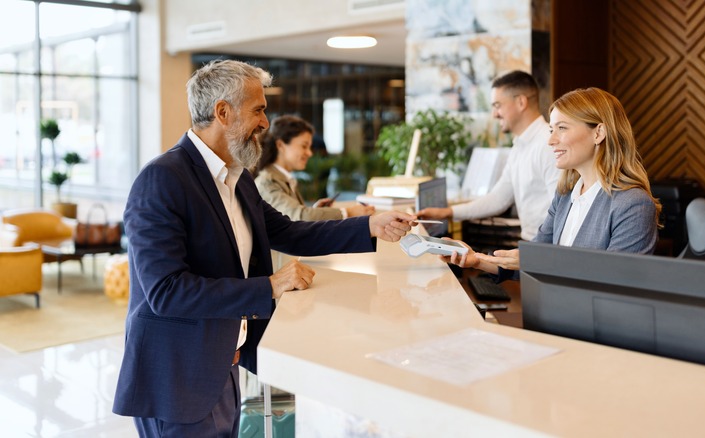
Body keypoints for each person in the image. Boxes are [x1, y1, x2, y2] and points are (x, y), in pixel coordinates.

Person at [112, 59, 414, 437]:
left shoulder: (236, 177)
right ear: (223, 112)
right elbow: (166, 291)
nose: (266, 123)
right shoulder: (162, 179)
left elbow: (291, 232)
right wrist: (270, 285)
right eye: (258, 109)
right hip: (178, 376)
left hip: (223, 362)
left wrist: (371, 225)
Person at [445, 87, 661, 280]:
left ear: (598, 133)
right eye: (551, 130)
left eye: (562, 128)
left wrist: (538, 261)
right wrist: (478, 260)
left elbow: (615, 279)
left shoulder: (633, 204)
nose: (551, 140)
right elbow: (533, 259)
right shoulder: (565, 195)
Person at [417, 70, 560, 241]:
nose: (494, 114)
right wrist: (448, 212)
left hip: (542, 250)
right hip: (530, 248)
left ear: (521, 102)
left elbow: (560, 212)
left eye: (497, 105)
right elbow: (499, 199)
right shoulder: (520, 145)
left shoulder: (548, 144)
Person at [253, 115, 374, 220]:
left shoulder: (283, 178)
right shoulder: (267, 183)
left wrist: (316, 211)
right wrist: (348, 212)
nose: (309, 153)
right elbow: (300, 217)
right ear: (281, 145)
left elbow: (290, 217)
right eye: (304, 146)